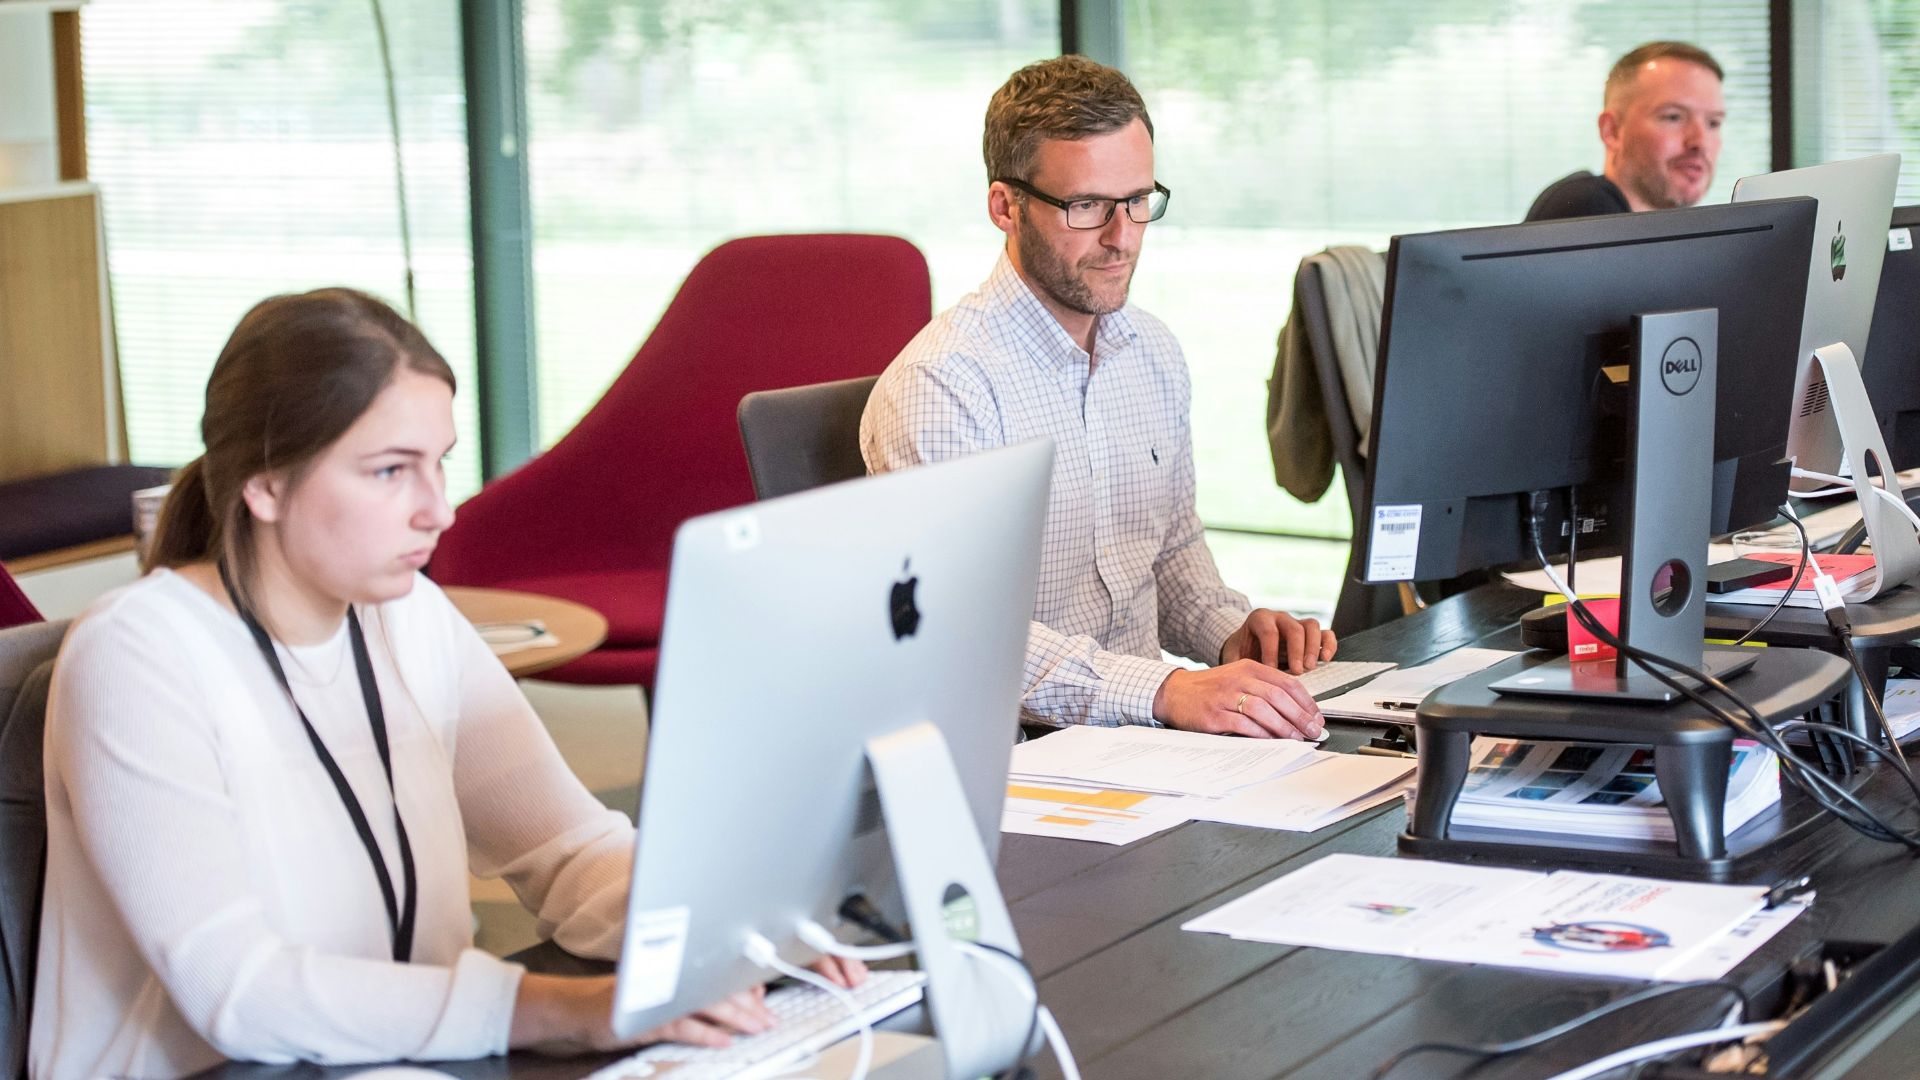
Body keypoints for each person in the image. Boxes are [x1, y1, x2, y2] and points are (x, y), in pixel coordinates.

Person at [32, 289, 860, 1080]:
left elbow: (569, 851)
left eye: (440, 465)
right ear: (266, 483)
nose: (439, 510)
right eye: (391, 471)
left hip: (394, 1060)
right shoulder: (139, 655)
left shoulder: (409, 616)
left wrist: (736, 930)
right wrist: (567, 1010)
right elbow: (242, 993)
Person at [861, 56, 1335, 741]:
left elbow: (1169, 553)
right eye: (1086, 206)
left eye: (1138, 201)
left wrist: (1235, 636)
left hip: (1144, 745)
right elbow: (965, 635)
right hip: (1022, 764)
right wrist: (1170, 689)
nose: (1122, 237)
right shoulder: (945, 386)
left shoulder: (1152, 352)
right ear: (1005, 205)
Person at [1525, 41, 1725, 222]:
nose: (1700, 142)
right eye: (1673, 117)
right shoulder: (1585, 209)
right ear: (1611, 131)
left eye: (1713, 123)